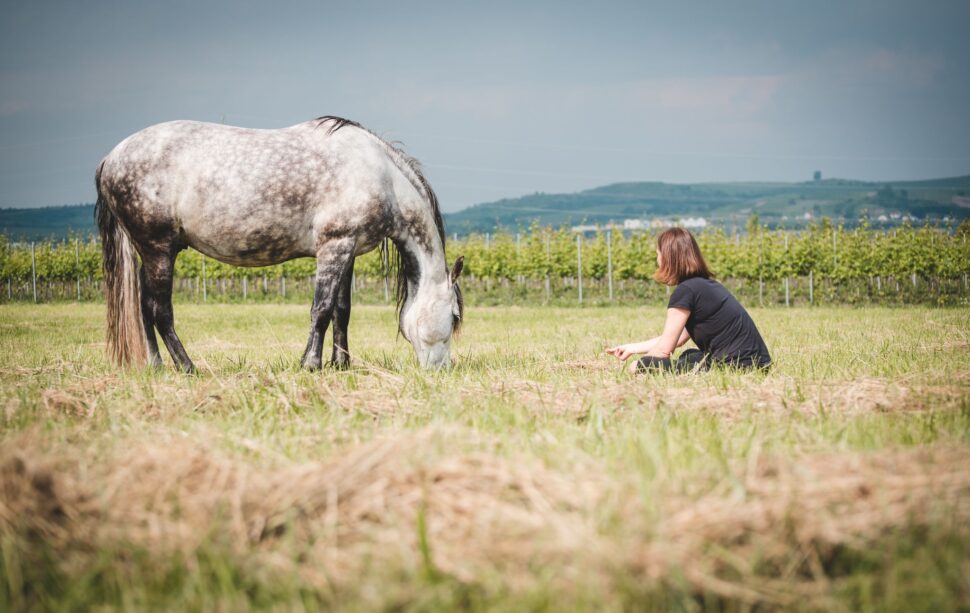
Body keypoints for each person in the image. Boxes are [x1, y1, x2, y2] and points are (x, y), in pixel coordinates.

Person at [605, 227, 771, 374]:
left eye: (658, 254)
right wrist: (632, 348)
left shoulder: (686, 291)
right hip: (758, 364)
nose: (657, 260)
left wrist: (642, 363)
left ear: (668, 258)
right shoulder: (705, 286)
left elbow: (664, 350)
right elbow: (676, 339)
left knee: (639, 366)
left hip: (737, 368)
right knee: (690, 355)